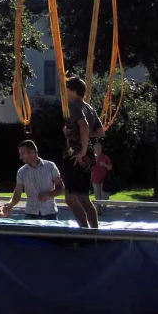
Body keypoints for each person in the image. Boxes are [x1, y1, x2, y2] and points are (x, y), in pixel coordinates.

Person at [62, 76, 104, 228]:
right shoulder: (89, 108)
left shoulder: (75, 106)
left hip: (76, 153)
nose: (66, 92)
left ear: (73, 91)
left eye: (67, 89)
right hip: (87, 155)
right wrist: (80, 136)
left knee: (71, 197)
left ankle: (84, 230)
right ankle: (94, 230)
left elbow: (84, 125)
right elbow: (100, 132)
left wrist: (82, 149)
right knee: (83, 197)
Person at [1, 140, 64, 220]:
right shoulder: (21, 172)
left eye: (23, 153)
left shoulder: (50, 166)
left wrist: (49, 195)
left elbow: (61, 188)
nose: (20, 157)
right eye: (20, 154)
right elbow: (17, 193)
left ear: (33, 152)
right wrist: (10, 204)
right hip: (31, 214)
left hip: (50, 213)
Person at [90, 142, 113, 213]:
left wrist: (104, 165)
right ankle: (98, 210)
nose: (98, 149)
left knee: (104, 196)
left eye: (99, 148)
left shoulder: (105, 157)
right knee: (97, 196)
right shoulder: (91, 157)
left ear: (101, 149)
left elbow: (110, 167)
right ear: (93, 148)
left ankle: (103, 209)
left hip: (104, 180)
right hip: (94, 179)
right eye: (96, 147)